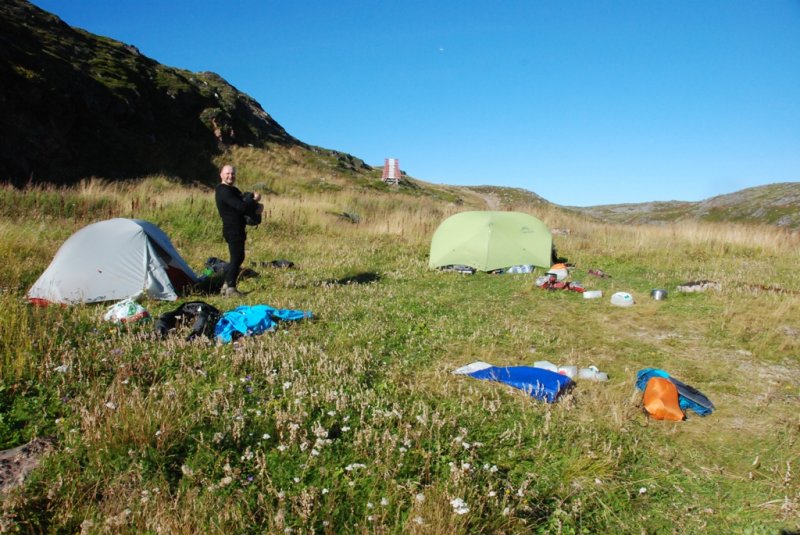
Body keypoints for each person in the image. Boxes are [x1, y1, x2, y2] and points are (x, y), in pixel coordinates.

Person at [215, 164, 262, 297]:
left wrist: (251, 196)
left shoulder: (232, 190)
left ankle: (226, 286)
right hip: (232, 229)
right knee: (236, 258)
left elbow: (242, 199)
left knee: (238, 257)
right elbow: (240, 206)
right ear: (221, 175)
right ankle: (231, 289)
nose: (231, 176)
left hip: (238, 228)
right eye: (227, 173)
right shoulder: (223, 190)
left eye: (233, 173)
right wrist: (255, 201)